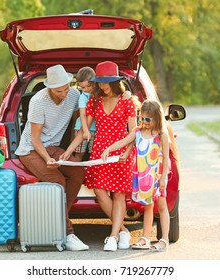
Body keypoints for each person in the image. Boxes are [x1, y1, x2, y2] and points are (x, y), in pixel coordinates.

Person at [61, 61, 138, 251]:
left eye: (106, 82)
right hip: (100, 154)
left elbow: (133, 132)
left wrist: (122, 150)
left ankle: (112, 237)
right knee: (100, 192)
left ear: (115, 81)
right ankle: (122, 230)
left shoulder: (127, 101)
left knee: (119, 195)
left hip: (119, 154)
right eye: (100, 82)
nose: (102, 86)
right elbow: (83, 131)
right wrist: (68, 152)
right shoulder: (94, 101)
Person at [15, 64, 89, 251]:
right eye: (58, 91)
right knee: (57, 180)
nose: (64, 93)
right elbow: (34, 138)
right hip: (31, 150)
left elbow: (77, 123)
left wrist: (71, 152)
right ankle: (68, 233)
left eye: (66, 88)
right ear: (49, 88)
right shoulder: (38, 101)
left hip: (54, 147)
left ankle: (57, 219)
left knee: (78, 172)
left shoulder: (73, 95)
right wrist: (47, 158)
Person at [101, 99, 171, 251]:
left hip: (157, 175)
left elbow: (166, 157)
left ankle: (164, 239)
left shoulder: (161, 135)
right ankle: (145, 238)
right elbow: (123, 142)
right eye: (141, 118)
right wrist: (108, 149)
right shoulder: (138, 132)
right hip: (143, 176)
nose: (144, 122)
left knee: (162, 205)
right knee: (147, 206)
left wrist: (164, 177)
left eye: (147, 119)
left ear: (157, 118)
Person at [73, 66, 97, 161]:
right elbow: (82, 114)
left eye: (89, 86)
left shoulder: (100, 94)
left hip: (96, 129)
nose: (86, 89)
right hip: (81, 128)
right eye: (83, 87)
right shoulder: (83, 97)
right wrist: (85, 130)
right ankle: (75, 171)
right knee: (79, 154)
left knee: (94, 154)